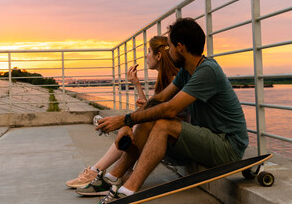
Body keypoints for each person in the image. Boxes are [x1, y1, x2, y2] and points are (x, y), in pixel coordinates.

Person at [93, 17, 249, 203]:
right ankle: (114, 177)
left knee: (163, 124)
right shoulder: (186, 71)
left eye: (170, 46)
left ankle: (128, 190)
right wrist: (130, 122)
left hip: (227, 146)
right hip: (206, 139)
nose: (169, 51)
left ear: (180, 47)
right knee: (151, 118)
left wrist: (125, 120)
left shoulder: (207, 71)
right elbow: (159, 99)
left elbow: (169, 109)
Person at [65, 36, 179, 192]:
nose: (146, 56)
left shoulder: (174, 80)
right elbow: (153, 110)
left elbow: (159, 114)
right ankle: (105, 171)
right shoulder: (165, 79)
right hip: (162, 130)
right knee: (135, 123)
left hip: (171, 136)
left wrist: (126, 122)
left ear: (158, 56)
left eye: (148, 52)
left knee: (134, 125)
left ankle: (97, 171)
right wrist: (137, 85)